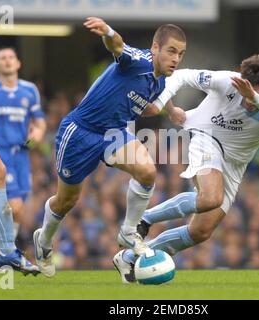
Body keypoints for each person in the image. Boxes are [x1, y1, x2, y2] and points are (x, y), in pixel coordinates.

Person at [113, 54, 259, 283]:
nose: (246, 100)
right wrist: (163, 105)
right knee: (210, 198)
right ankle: (144, 219)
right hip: (207, 139)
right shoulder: (227, 80)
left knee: (200, 231)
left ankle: (129, 257)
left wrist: (254, 97)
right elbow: (181, 76)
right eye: (244, 93)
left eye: (256, 94)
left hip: (236, 163)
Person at [33, 17, 187, 277]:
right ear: (155, 47)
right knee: (66, 200)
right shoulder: (138, 61)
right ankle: (44, 241)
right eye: (171, 51)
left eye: (181, 54)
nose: (176, 58)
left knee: (148, 172)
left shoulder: (159, 83)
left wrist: (168, 109)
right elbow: (117, 46)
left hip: (113, 134)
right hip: (80, 132)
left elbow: (145, 105)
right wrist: (107, 31)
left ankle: (129, 231)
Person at [0, 47, 46, 271]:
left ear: (19, 63)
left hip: (21, 153)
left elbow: (39, 120)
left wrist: (39, 133)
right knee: (11, 204)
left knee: (19, 209)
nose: (7, 61)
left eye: (11, 57)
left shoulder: (30, 91)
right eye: (2, 58)